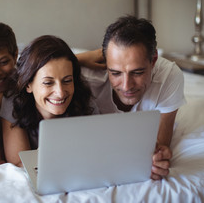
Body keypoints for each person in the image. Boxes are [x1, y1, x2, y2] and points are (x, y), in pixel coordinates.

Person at [77, 15, 186, 180]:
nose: (126, 86)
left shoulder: (169, 76)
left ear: (154, 60)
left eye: (137, 72)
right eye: (115, 73)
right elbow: (31, 72)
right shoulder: (85, 76)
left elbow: (160, 144)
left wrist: (156, 160)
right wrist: (78, 58)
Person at [0, 35, 98, 166]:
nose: (60, 92)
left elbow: (95, 154)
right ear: (28, 84)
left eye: (67, 81)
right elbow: (19, 164)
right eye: (48, 83)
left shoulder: (84, 101)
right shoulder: (13, 101)